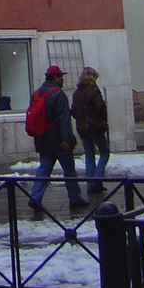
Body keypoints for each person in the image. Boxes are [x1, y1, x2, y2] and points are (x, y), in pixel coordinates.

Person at [28, 64, 89, 214]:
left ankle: (35, 197)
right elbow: (63, 119)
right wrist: (67, 139)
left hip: (42, 138)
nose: (62, 80)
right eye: (61, 77)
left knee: (44, 167)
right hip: (58, 140)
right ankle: (75, 198)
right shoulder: (58, 94)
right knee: (69, 169)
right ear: (55, 78)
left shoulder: (37, 93)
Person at [72, 66, 109, 195]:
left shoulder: (77, 92)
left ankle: (90, 185)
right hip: (94, 127)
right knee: (105, 152)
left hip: (82, 128)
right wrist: (103, 120)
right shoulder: (94, 90)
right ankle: (96, 181)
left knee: (89, 155)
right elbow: (100, 108)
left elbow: (74, 111)